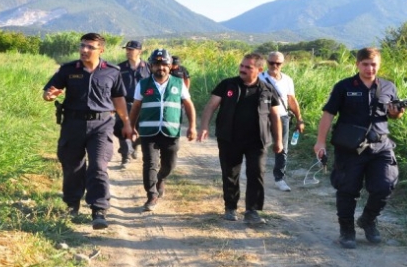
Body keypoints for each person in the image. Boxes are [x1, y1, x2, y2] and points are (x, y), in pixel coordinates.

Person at [313, 47, 405, 249]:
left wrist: (396, 113)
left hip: (380, 146)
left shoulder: (388, 87)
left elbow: (393, 116)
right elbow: (328, 114)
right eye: (365, 64)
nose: (370, 68)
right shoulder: (344, 86)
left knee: (385, 185)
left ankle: (368, 220)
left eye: (373, 64)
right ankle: (347, 230)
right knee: (348, 189)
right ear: (357, 64)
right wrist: (320, 141)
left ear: (379, 65)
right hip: (350, 148)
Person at [43, 32, 132, 230]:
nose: (84, 50)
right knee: (73, 165)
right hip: (73, 124)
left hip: (101, 125)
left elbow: (118, 100)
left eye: (90, 47)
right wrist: (50, 95)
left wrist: (126, 122)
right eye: (82, 46)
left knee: (98, 165)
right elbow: (49, 92)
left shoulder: (112, 71)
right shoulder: (68, 70)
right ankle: (72, 205)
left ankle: (99, 209)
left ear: (101, 50)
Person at [198, 53, 283, 225]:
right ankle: (230, 207)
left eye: (248, 67)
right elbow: (211, 105)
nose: (242, 69)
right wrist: (204, 126)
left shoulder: (267, 89)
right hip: (230, 138)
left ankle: (252, 211)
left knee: (256, 173)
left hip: (257, 141)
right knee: (230, 173)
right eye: (242, 66)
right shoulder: (228, 84)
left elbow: (275, 117)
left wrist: (279, 140)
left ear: (259, 70)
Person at [129, 49, 197, 211]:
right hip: (148, 132)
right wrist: (130, 127)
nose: (161, 67)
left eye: (164, 64)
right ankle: (152, 195)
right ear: (151, 66)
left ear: (171, 66)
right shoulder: (143, 84)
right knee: (150, 163)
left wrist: (193, 126)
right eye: (157, 64)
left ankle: (161, 179)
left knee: (170, 164)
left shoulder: (178, 83)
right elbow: (136, 107)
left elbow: (188, 105)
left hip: (171, 131)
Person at [259, 51, 305, 192]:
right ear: (267, 62)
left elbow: (291, 100)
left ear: (282, 64)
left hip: (282, 117)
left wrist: (299, 119)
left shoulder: (287, 80)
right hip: (262, 117)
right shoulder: (259, 78)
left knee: (282, 149)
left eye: (277, 63)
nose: (274, 66)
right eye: (271, 62)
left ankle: (279, 179)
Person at [116, 40, 151, 167]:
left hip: (143, 105)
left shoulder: (148, 68)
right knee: (123, 130)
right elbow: (114, 87)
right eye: (127, 49)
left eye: (131, 49)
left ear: (139, 51)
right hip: (125, 104)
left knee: (143, 131)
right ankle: (125, 156)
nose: (128, 51)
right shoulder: (120, 68)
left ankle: (135, 145)